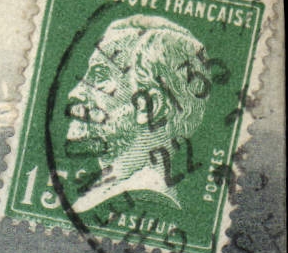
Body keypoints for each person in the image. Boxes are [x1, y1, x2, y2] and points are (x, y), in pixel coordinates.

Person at [63, 14, 215, 213]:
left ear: (149, 107)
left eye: (99, 76)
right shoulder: (100, 197)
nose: (75, 93)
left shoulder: (142, 203)